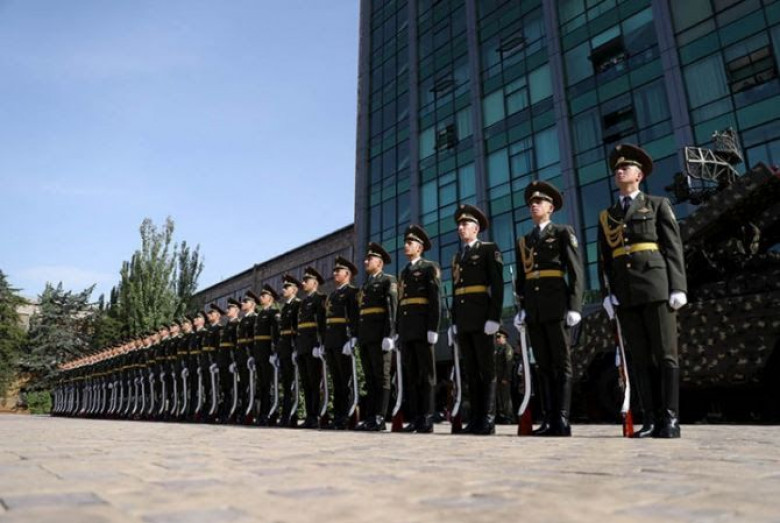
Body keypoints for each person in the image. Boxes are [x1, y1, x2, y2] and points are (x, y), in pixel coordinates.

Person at [598, 143, 687, 438]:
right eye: (616, 169)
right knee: (639, 358)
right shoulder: (607, 215)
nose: (619, 171)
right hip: (625, 292)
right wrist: (607, 294)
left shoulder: (657, 204)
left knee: (665, 355)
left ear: (639, 175)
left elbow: (673, 247)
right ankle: (649, 419)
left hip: (656, 286)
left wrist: (678, 286)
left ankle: (670, 419)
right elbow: (604, 260)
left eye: (626, 167)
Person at [514, 180, 584, 436]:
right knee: (543, 365)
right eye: (531, 202)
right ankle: (548, 418)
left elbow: (575, 271)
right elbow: (522, 279)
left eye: (539, 201)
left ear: (551, 207)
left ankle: (562, 419)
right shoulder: (524, 240)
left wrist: (575, 305)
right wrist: (521, 308)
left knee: (561, 363)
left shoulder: (563, 232)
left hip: (556, 305)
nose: (534, 205)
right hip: (534, 310)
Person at [450, 204, 504, 435]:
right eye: (459, 225)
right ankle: (475, 419)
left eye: (465, 224)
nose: (460, 228)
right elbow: (456, 291)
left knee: (486, 370)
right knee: (471, 371)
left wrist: (494, 317)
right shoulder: (458, 257)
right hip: (464, 320)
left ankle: (488, 420)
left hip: (482, 318)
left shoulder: (488, 249)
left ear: (476, 228)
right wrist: (453, 321)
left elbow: (497, 285)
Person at [397, 225, 441, 433]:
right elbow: (401, 303)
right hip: (407, 329)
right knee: (411, 375)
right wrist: (398, 330)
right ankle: (415, 418)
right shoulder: (404, 272)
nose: (406, 246)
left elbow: (435, 299)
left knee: (426, 375)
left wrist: (433, 327)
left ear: (420, 247)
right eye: (405, 243)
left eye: (410, 243)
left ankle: (427, 417)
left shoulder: (429, 267)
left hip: (423, 328)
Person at [356, 242, 398, 431]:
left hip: (380, 336)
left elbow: (392, 308)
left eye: (369, 259)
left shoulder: (388, 280)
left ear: (379, 262)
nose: (366, 261)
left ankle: (380, 417)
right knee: (370, 378)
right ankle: (370, 417)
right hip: (366, 337)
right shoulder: (365, 285)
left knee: (382, 376)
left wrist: (389, 334)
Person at [324, 256, 360, 429]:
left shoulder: (352, 292)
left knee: (345, 381)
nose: (335, 274)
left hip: (343, 340)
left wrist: (353, 337)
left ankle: (346, 416)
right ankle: (337, 416)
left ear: (347, 274)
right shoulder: (332, 295)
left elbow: (354, 316)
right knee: (336, 381)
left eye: (338, 271)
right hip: (331, 341)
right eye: (334, 271)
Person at [296, 267, 327, 428]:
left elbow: (321, 324)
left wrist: (319, 344)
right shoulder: (303, 302)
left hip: (313, 346)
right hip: (303, 346)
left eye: (306, 281)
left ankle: (315, 416)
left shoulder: (320, 299)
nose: (303, 283)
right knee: (306, 384)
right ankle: (309, 415)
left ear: (314, 283)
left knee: (315, 383)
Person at [277, 275, 301, 427]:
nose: (283, 289)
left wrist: (296, 348)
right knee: (286, 383)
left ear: (294, 290)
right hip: (284, 347)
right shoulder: (285, 307)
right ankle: (285, 415)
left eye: (287, 287)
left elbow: (297, 328)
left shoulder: (297, 305)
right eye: (283, 287)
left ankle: (292, 414)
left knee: (293, 383)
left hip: (292, 346)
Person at [254, 285, 280, 425]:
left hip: (267, 353)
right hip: (259, 353)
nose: (261, 297)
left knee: (268, 384)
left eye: (264, 296)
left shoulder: (273, 313)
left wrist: (274, 352)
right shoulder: (259, 315)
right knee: (262, 385)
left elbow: (275, 334)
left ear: (270, 298)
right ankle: (262, 413)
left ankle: (270, 413)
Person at [494, 328, 514, 424]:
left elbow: (508, 364)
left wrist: (506, 377)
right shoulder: (498, 349)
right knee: (500, 398)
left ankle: (509, 417)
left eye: (499, 337)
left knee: (506, 398)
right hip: (498, 378)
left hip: (504, 378)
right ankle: (502, 416)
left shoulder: (507, 348)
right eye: (496, 337)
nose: (497, 339)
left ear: (504, 337)